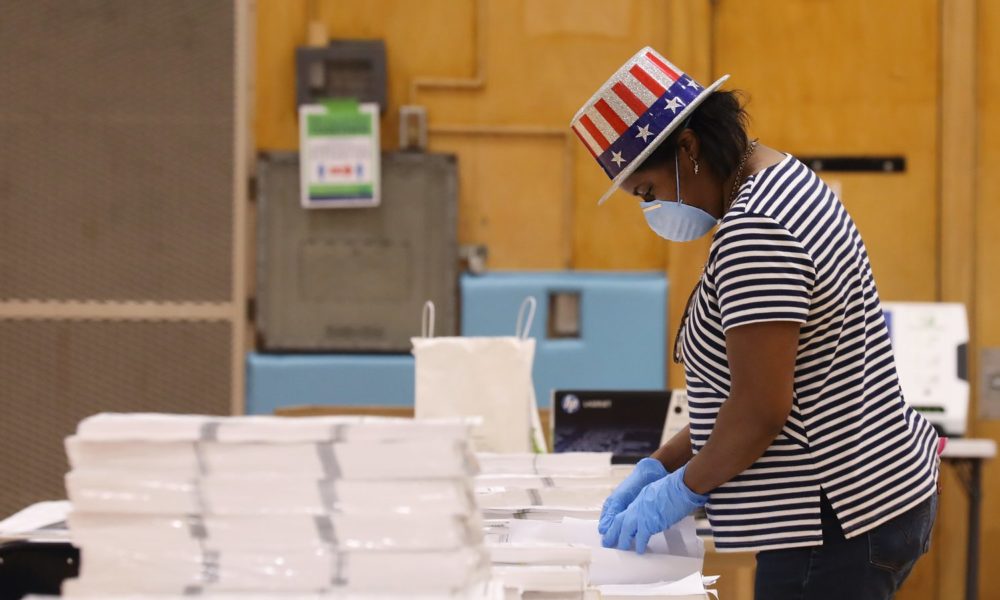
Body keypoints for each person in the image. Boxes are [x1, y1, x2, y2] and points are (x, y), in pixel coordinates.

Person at [570, 47, 940, 599]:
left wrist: (678, 492)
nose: (651, 210)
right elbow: (759, 389)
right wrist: (658, 463)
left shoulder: (758, 228)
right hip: (864, 501)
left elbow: (761, 409)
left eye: (647, 192)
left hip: (833, 520)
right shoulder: (783, 181)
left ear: (688, 148)